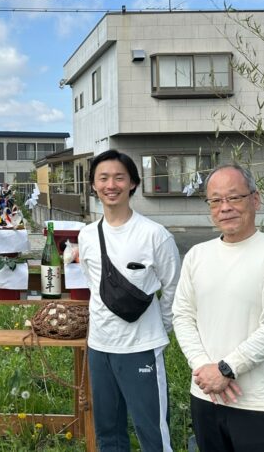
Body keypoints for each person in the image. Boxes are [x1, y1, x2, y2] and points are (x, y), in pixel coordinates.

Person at [172, 164, 264, 451]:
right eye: (215, 200)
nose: (225, 207)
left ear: (255, 199)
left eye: (234, 198)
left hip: (257, 403)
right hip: (204, 396)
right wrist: (203, 367)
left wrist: (227, 369)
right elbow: (182, 316)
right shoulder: (197, 255)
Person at [78, 149, 180, 451]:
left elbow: (174, 288)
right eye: (103, 178)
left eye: (119, 177)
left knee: (152, 431)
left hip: (140, 348)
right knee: (108, 432)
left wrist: (157, 329)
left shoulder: (154, 235)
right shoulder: (87, 235)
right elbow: (92, 285)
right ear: (94, 185)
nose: (111, 185)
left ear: (133, 183)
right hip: (99, 346)